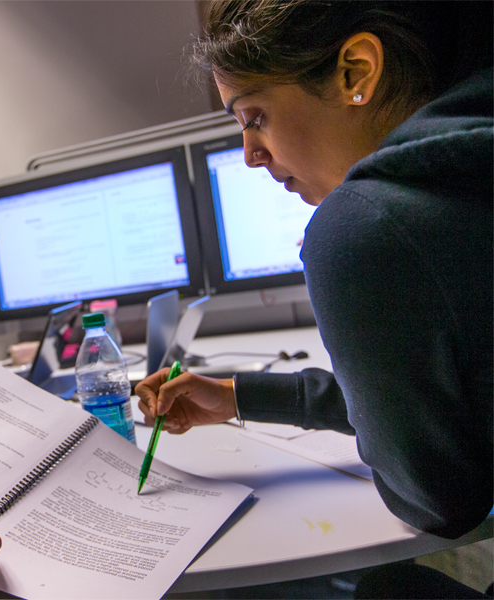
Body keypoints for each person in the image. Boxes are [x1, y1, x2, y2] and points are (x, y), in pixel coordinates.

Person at [138, 0, 492, 542]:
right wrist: (241, 396)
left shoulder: (363, 227)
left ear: (357, 71)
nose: (250, 154)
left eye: (254, 117)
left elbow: (436, 501)